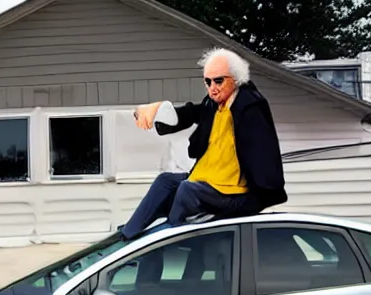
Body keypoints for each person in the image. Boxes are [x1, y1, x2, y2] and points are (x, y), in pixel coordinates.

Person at [120, 47, 287, 240]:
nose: (212, 87)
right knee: (165, 182)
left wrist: (262, 197)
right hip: (207, 180)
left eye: (218, 80)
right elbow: (190, 113)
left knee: (186, 191)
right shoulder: (212, 104)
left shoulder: (250, 107)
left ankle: (164, 244)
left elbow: (265, 156)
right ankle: (127, 236)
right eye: (207, 81)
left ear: (236, 78)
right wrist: (155, 108)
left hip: (233, 192)